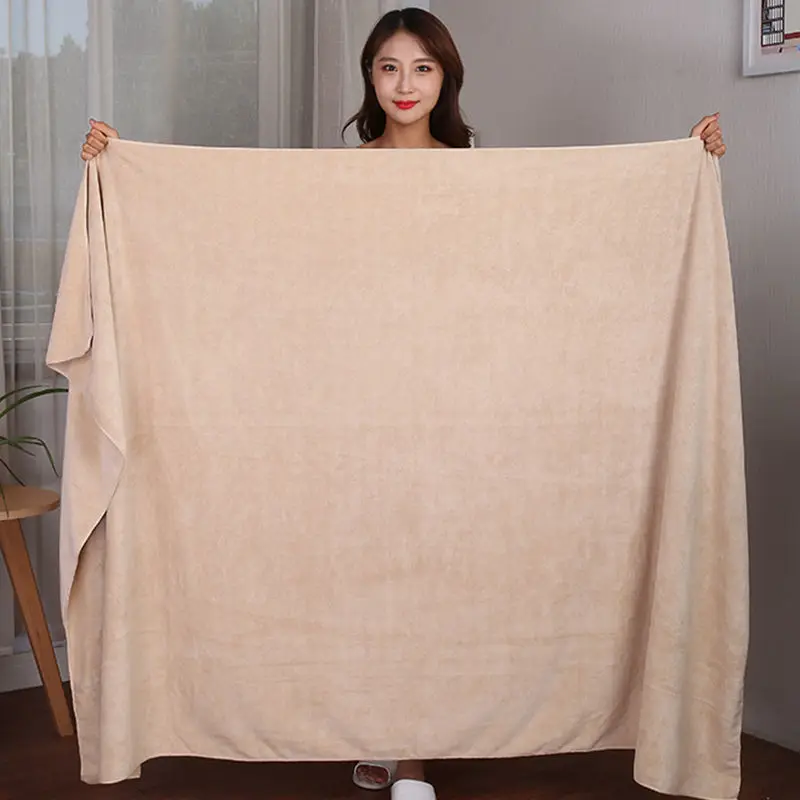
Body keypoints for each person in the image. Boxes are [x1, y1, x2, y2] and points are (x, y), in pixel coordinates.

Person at [79, 8, 727, 800]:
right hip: (352, 408)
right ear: (370, 77)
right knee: (357, 573)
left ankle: (412, 753)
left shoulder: (481, 179)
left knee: (436, 581)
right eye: (389, 67)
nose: (405, 84)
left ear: (446, 77)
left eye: (422, 67)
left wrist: (682, 167)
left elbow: (551, 259)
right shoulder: (336, 180)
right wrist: (122, 169)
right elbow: (257, 258)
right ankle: (377, 736)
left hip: (454, 408)